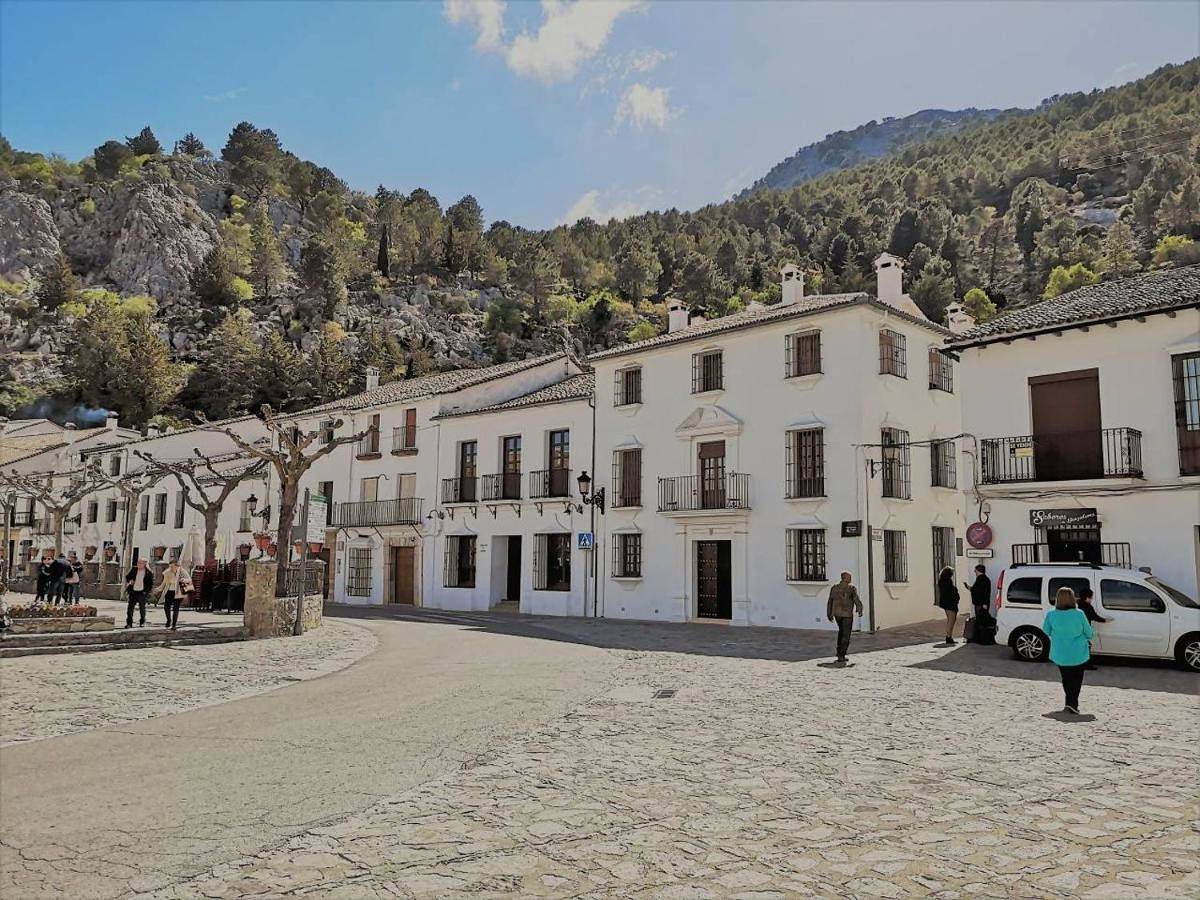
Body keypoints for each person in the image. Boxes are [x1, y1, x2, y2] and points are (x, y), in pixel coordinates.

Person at [1043, 586, 1094, 715]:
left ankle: (1069, 703)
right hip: (1078, 652)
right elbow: (1089, 633)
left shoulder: (1051, 615)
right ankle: (1073, 704)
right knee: (1077, 679)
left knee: (1066, 678)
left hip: (1060, 653)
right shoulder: (1079, 614)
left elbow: (1046, 631)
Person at [826, 571, 864, 664]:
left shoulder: (834, 588)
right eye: (849, 577)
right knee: (846, 635)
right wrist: (859, 609)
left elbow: (830, 602)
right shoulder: (851, 589)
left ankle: (839, 652)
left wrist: (829, 613)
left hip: (837, 614)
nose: (850, 579)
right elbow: (856, 599)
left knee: (841, 632)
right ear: (845, 578)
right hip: (846, 614)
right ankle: (841, 655)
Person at [1077, 585, 1108, 671]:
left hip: (1076, 630)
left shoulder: (1077, 605)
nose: (1092, 599)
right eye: (1091, 597)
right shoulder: (1088, 607)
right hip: (1084, 631)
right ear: (1087, 598)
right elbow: (1095, 617)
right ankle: (1086, 665)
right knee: (1086, 647)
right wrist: (1106, 620)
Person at [124, 559, 155, 629]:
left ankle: (142, 621)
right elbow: (127, 577)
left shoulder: (148, 573)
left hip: (142, 592)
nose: (139, 564)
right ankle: (129, 623)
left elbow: (150, 584)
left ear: (144, 564)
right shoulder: (134, 569)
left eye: (141, 563)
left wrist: (146, 592)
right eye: (138, 562)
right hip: (133, 591)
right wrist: (130, 581)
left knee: (142, 608)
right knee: (130, 608)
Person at [936, 566, 960, 644]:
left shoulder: (942, 581)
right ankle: (948, 637)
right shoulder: (947, 582)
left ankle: (949, 636)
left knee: (951, 620)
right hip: (950, 604)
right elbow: (950, 593)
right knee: (951, 620)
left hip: (948, 603)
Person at [158, 559, 184, 630]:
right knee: (166, 607)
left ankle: (174, 624)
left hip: (178, 592)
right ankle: (168, 620)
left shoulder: (182, 572)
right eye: (170, 567)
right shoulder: (167, 572)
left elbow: (187, 580)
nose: (171, 568)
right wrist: (159, 589)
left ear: (176, 566)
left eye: (172, 567)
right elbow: (164, 583)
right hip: (169, 591)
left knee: (176, 609)